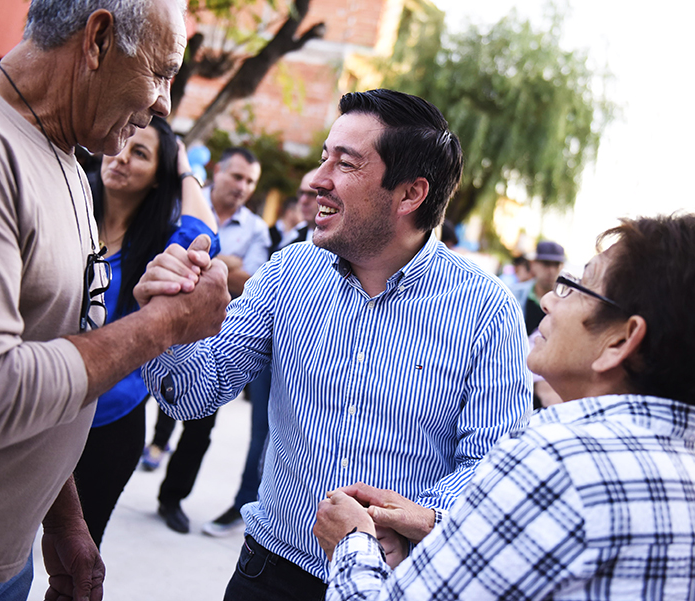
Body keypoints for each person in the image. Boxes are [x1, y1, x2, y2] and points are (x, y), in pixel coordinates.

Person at [136, 89, 530, 600]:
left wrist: (417, 518)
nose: (316, 180)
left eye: (345, 164)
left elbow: (491, 464)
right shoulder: (289, 271)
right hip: (269, 571)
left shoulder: (486, 309)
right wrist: (169, 324)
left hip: (395, 581)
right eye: (324, 157)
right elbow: (192, 393)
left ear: (410, 194)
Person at [0, 0, 231, 598]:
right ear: (98, 39)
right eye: (161, 72)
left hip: (2, 562)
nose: (165, 103)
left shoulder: (65, 158)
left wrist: (63, 518)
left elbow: (42, 349)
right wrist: (162, 326)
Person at [315, 212, 695, 600]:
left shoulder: (556, 459)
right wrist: (438, 527)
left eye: (576, 287)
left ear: (621, 340)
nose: (548, 301)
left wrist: (352, 543)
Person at [72, 116, 220, 548]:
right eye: (122, 144)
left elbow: (205, 238)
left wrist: (185, 170)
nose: (122, 158)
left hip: (110, 420)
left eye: (140, 153)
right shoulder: (69, 213)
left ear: (159, 175)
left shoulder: (159, 246)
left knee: (80, 549)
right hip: (44, 400)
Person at [148, 146, 270, 534]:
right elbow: (165, 254)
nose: (243, 187)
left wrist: (210, 264)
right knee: (148, 402)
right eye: (237, 176)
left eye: (250, 181)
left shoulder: (257, 229)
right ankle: (153, 447)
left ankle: (172, 498)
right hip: (158, 325)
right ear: (218, 172)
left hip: (218, 337)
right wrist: (227, 264)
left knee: (200, 425)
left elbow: (250, 281)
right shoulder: (182, 206)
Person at [204, 167, 321, 539]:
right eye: (302, 193)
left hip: (310, 357)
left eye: (312, 193)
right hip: (271, 349)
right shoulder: (290, 242)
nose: (308, 199)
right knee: (261, 431)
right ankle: (246, 502)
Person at [508, 240, 566, 336]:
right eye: (546, 264)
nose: (551, 271)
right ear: (533, 264)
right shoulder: (513, 294)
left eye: (556, 265)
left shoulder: (565, 303)